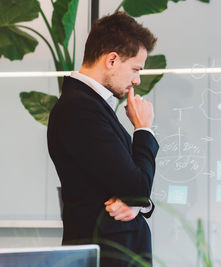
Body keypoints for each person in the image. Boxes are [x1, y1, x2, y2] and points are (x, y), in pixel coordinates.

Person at [47, 11, 159, 267]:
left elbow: (131, 187)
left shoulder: (91, 106)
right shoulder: (80, 109)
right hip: (106, 256)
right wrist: (143, 129)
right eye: (135, 68)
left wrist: (138, 204)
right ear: (111, 60)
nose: (137, 79)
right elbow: (136, 186)